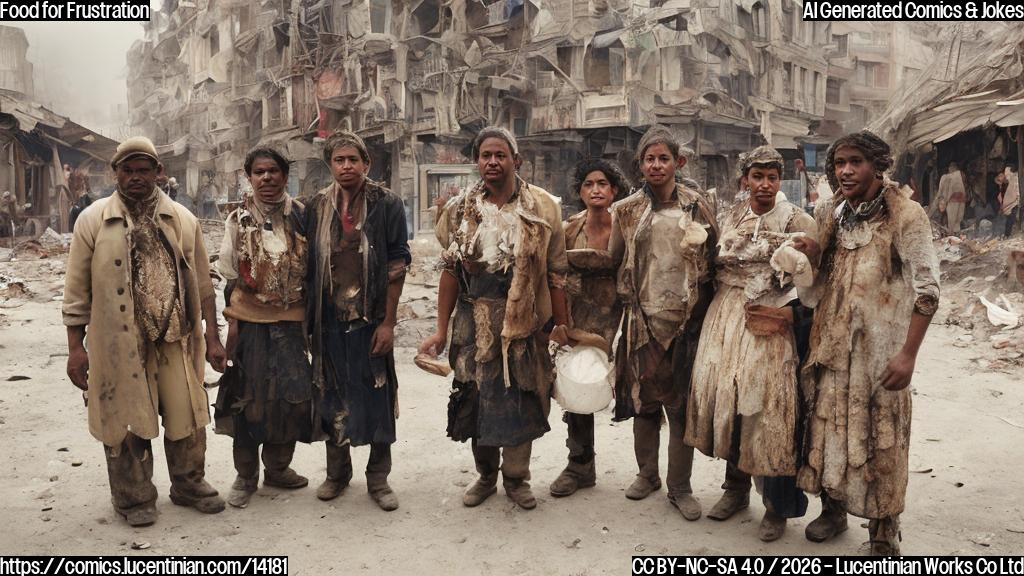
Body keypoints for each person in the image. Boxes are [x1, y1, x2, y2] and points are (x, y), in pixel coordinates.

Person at [62, 136, 228, 527]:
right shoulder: (93, 220)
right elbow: (76, 292)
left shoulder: (183, 219)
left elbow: (204, 284)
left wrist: (214, 339)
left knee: (187, 414)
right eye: (127, 170)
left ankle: (189, 484)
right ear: (114, 173)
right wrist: (76, 348)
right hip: (119, 343)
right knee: (125, 418)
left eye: (144, 170)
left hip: (175, 338)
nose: (136, 177)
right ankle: (133, 498)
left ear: (159, 172)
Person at [796, 131, 940, 555]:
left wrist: (908, 355)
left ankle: (884, 527)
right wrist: (809, 252)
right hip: (831, 346)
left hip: (881, 355)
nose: (845, 171)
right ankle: (833, 510)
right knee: (827, 430)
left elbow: (927, 290)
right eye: (839, 163)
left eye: (855, 161)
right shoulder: (830, 212)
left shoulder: (906, 215)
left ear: (877, 165)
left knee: (882, 438)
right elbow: (816, 277)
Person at [419, 126, 570, 510]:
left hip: (525, 322)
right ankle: (486, 475)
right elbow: (450, 272)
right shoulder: (459, 211)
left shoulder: (543, 207)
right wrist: (440, 328)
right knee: (476, 398)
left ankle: (517, 478)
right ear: (477, 162)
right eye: (485, 155)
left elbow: (557, 273)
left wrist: (561, 324)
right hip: (473, 323)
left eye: (500, 155)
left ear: (516, 161)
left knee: (523, 398)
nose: (492, 162)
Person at [684, 146, 817, 542]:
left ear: (780, 180)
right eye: (757, 176)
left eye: (771, 177)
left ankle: (776, 508)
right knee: (731, 401)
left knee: (770, 408)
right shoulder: (733, 214)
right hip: (726, 317)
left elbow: (811, 283)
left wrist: (789, 311)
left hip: (770, 320)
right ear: (745, 179)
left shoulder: (798, 219)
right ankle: (737, 489)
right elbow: (716, 264)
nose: (764, 184)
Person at [609, 125, 717, 520]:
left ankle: (680, 487)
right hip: (643, 322)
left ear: (678, 162)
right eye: (649, 159)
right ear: (640, 166)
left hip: (687, 323)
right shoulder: (627, 210)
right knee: (644, 405)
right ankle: (647, 475)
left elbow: (715, 259)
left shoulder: (699, 205)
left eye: (663, 158)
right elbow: (614, 262)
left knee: (681, 410)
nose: (656, 165)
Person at [306, 131, 411, 511]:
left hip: (370, 321)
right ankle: (337, 473)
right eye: (339, 160)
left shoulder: (388, 204)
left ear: (366, 163)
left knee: (376, 397)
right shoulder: (316, 206)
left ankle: (378, 478)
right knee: (331, 395)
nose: (346, 166)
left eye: (353, 159)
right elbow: (308, 268)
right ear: (330, 165)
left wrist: (388, 323)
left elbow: (398, 264)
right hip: (329, 322)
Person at [215, 147, 315, 508]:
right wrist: (232, 332)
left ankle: (278, 468)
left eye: (274, 171)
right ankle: (245, 476)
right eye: (259, 172)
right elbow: (229, 278)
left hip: (290, 326)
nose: (267, 178)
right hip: (251, 326)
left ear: (285, 176)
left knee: (288, 399)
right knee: (247, 399)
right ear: (249, 177)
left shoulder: (304, 216)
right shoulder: (236, 220)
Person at [549, 159, 629, 498]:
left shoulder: (626, 227)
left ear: (613, 191)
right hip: (581, 314)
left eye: (602, 184)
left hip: (619, 315)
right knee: (578, 385)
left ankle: (649, 474)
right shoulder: (570, 228)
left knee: (629, 389)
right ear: (580, 192)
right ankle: (579, 466)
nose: (596, 190)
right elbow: (558, 276)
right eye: (588, 184)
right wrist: (562, 321)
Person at [937, 162, 967, 234]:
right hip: (962, 199)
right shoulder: (961, 175)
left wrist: (942, 200)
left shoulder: (946, 177)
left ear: (951, 168)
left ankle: (952, 236)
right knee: (957, 222)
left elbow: (942, 191)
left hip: (952, 200)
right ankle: (956, 237)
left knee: (952, 223)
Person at [997, 164, 1020, 237]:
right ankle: (1007, 234)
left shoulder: (1015, 178)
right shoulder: (1009, 180)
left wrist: (1018, 201)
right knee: (1010, 219)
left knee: (1011, 219)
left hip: (1015, 203)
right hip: (1011, 204)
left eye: (1007, 172)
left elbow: (1017, 191)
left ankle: (1008, 234)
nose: (1005, 174)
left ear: (1010, 171)